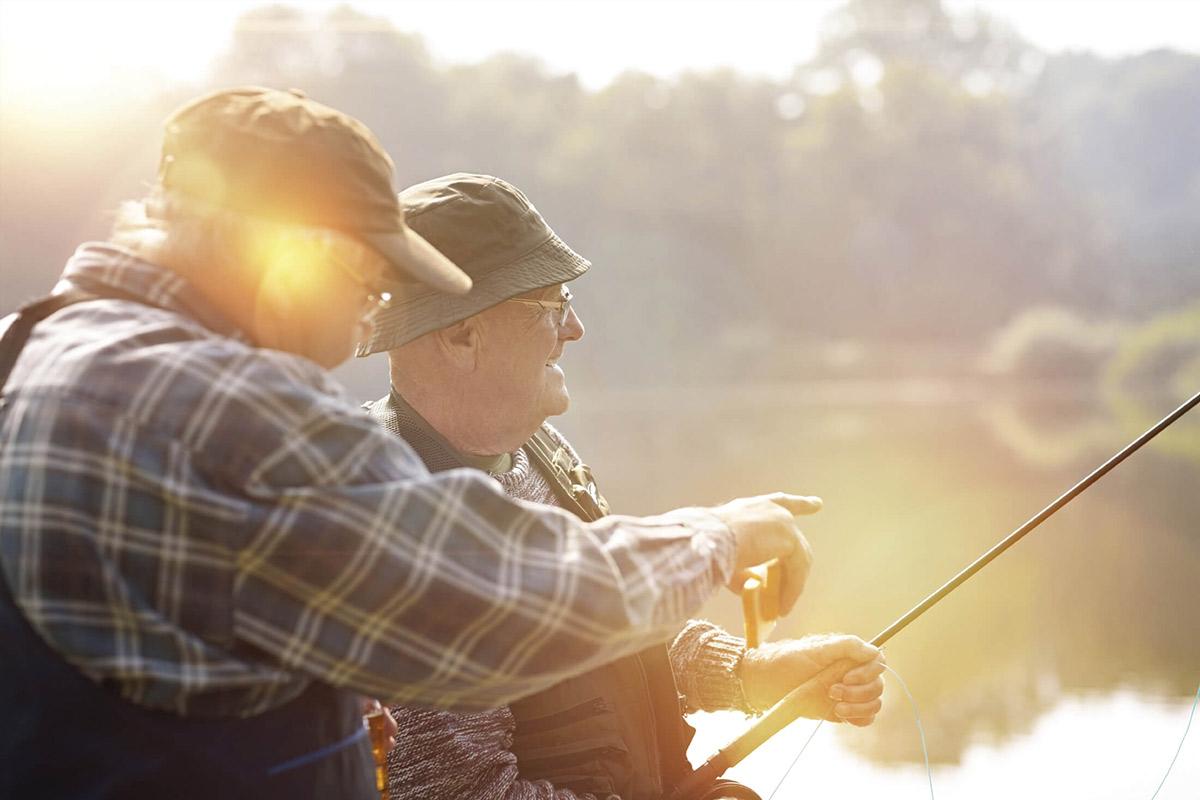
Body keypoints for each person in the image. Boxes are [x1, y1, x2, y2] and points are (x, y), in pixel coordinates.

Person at [0, 88, 832, 800]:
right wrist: (717, 538)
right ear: (296, 257)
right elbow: (485, 598)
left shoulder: (30, 349)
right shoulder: (222, 407)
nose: (367, 325)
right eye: (369, 284)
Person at [357, 173, 886, 800]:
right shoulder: (386, 521)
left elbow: (603, 622)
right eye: (551, 306)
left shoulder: (537, 450)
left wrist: (749, 675)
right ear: (461, 335)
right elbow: (457, 791)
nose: (575, 329)